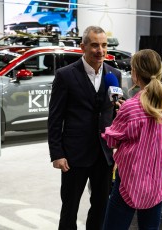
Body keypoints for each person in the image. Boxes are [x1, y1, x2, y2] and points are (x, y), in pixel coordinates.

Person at [47, 25, 121, 230]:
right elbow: (55, 118)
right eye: (95, 45)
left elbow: (114, 116)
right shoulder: (65, 75)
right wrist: (57, 153)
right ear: (83, 47)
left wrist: (117, 150)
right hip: (74, 155)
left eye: (104, 45)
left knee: (101, 207)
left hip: (104, 155)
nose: (101, 50)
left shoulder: (113, 75)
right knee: (69, 208)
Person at [101, 49, 162, 230]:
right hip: (156, 182)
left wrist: (120, 117)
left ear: (135, 74)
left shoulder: (129, 108)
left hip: (128, 181)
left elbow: (112, 141)